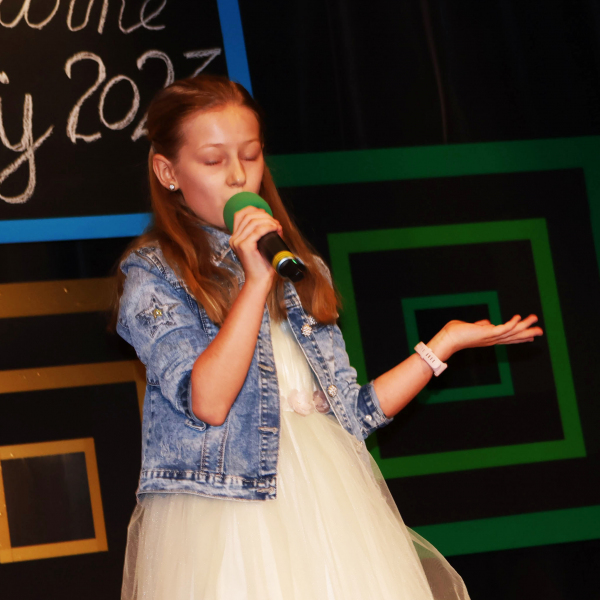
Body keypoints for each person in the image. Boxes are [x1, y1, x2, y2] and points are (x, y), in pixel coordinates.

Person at [112, 74, 543, 600]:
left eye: (250, 155)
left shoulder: (303, 268)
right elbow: (209, 401)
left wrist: (442, 346)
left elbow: (352, 416)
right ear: (168, 171)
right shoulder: (154, 274)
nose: (238, 175)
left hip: (330, 509)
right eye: (213, 160)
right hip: (227, 514)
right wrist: (255, 282)